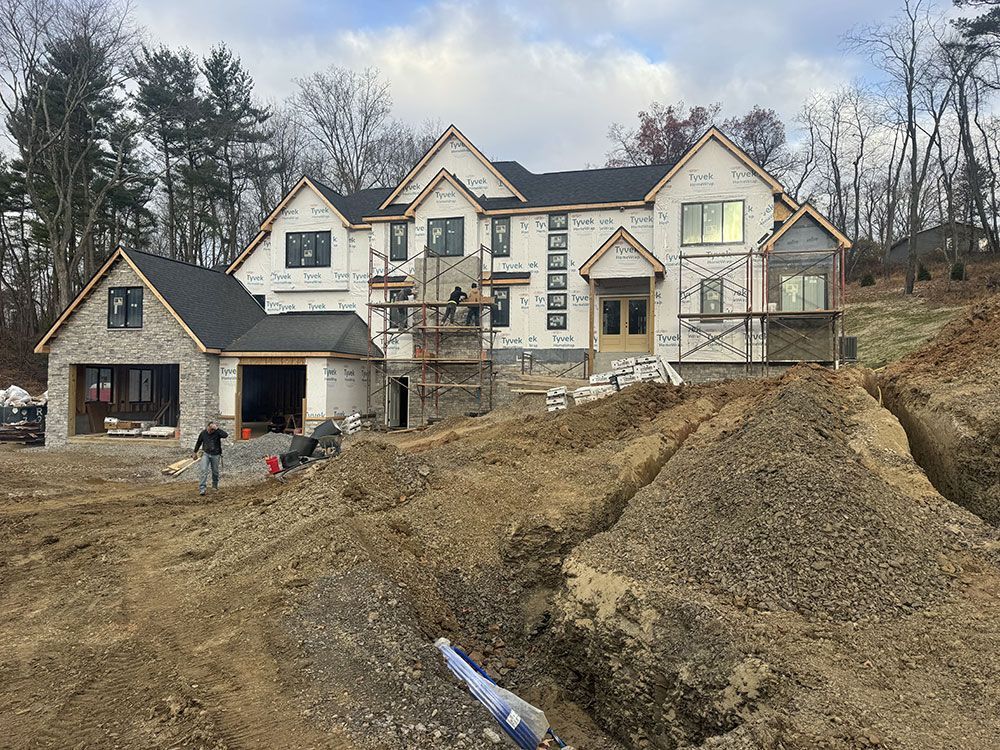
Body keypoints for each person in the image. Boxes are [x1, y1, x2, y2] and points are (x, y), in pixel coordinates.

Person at [192, 420, 228, 495]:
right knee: (203, 470)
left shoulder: (217, 432)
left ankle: (214, 485)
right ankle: (202, 488)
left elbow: (225, 435)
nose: (209, 431)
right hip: (206, 454)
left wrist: (217, 429)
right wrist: (195, 452)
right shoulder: (203, 433)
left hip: (216, 454)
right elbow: (198, 442)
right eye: (209, 429)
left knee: (215, 471)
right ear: (207, 427)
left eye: (211, 430)